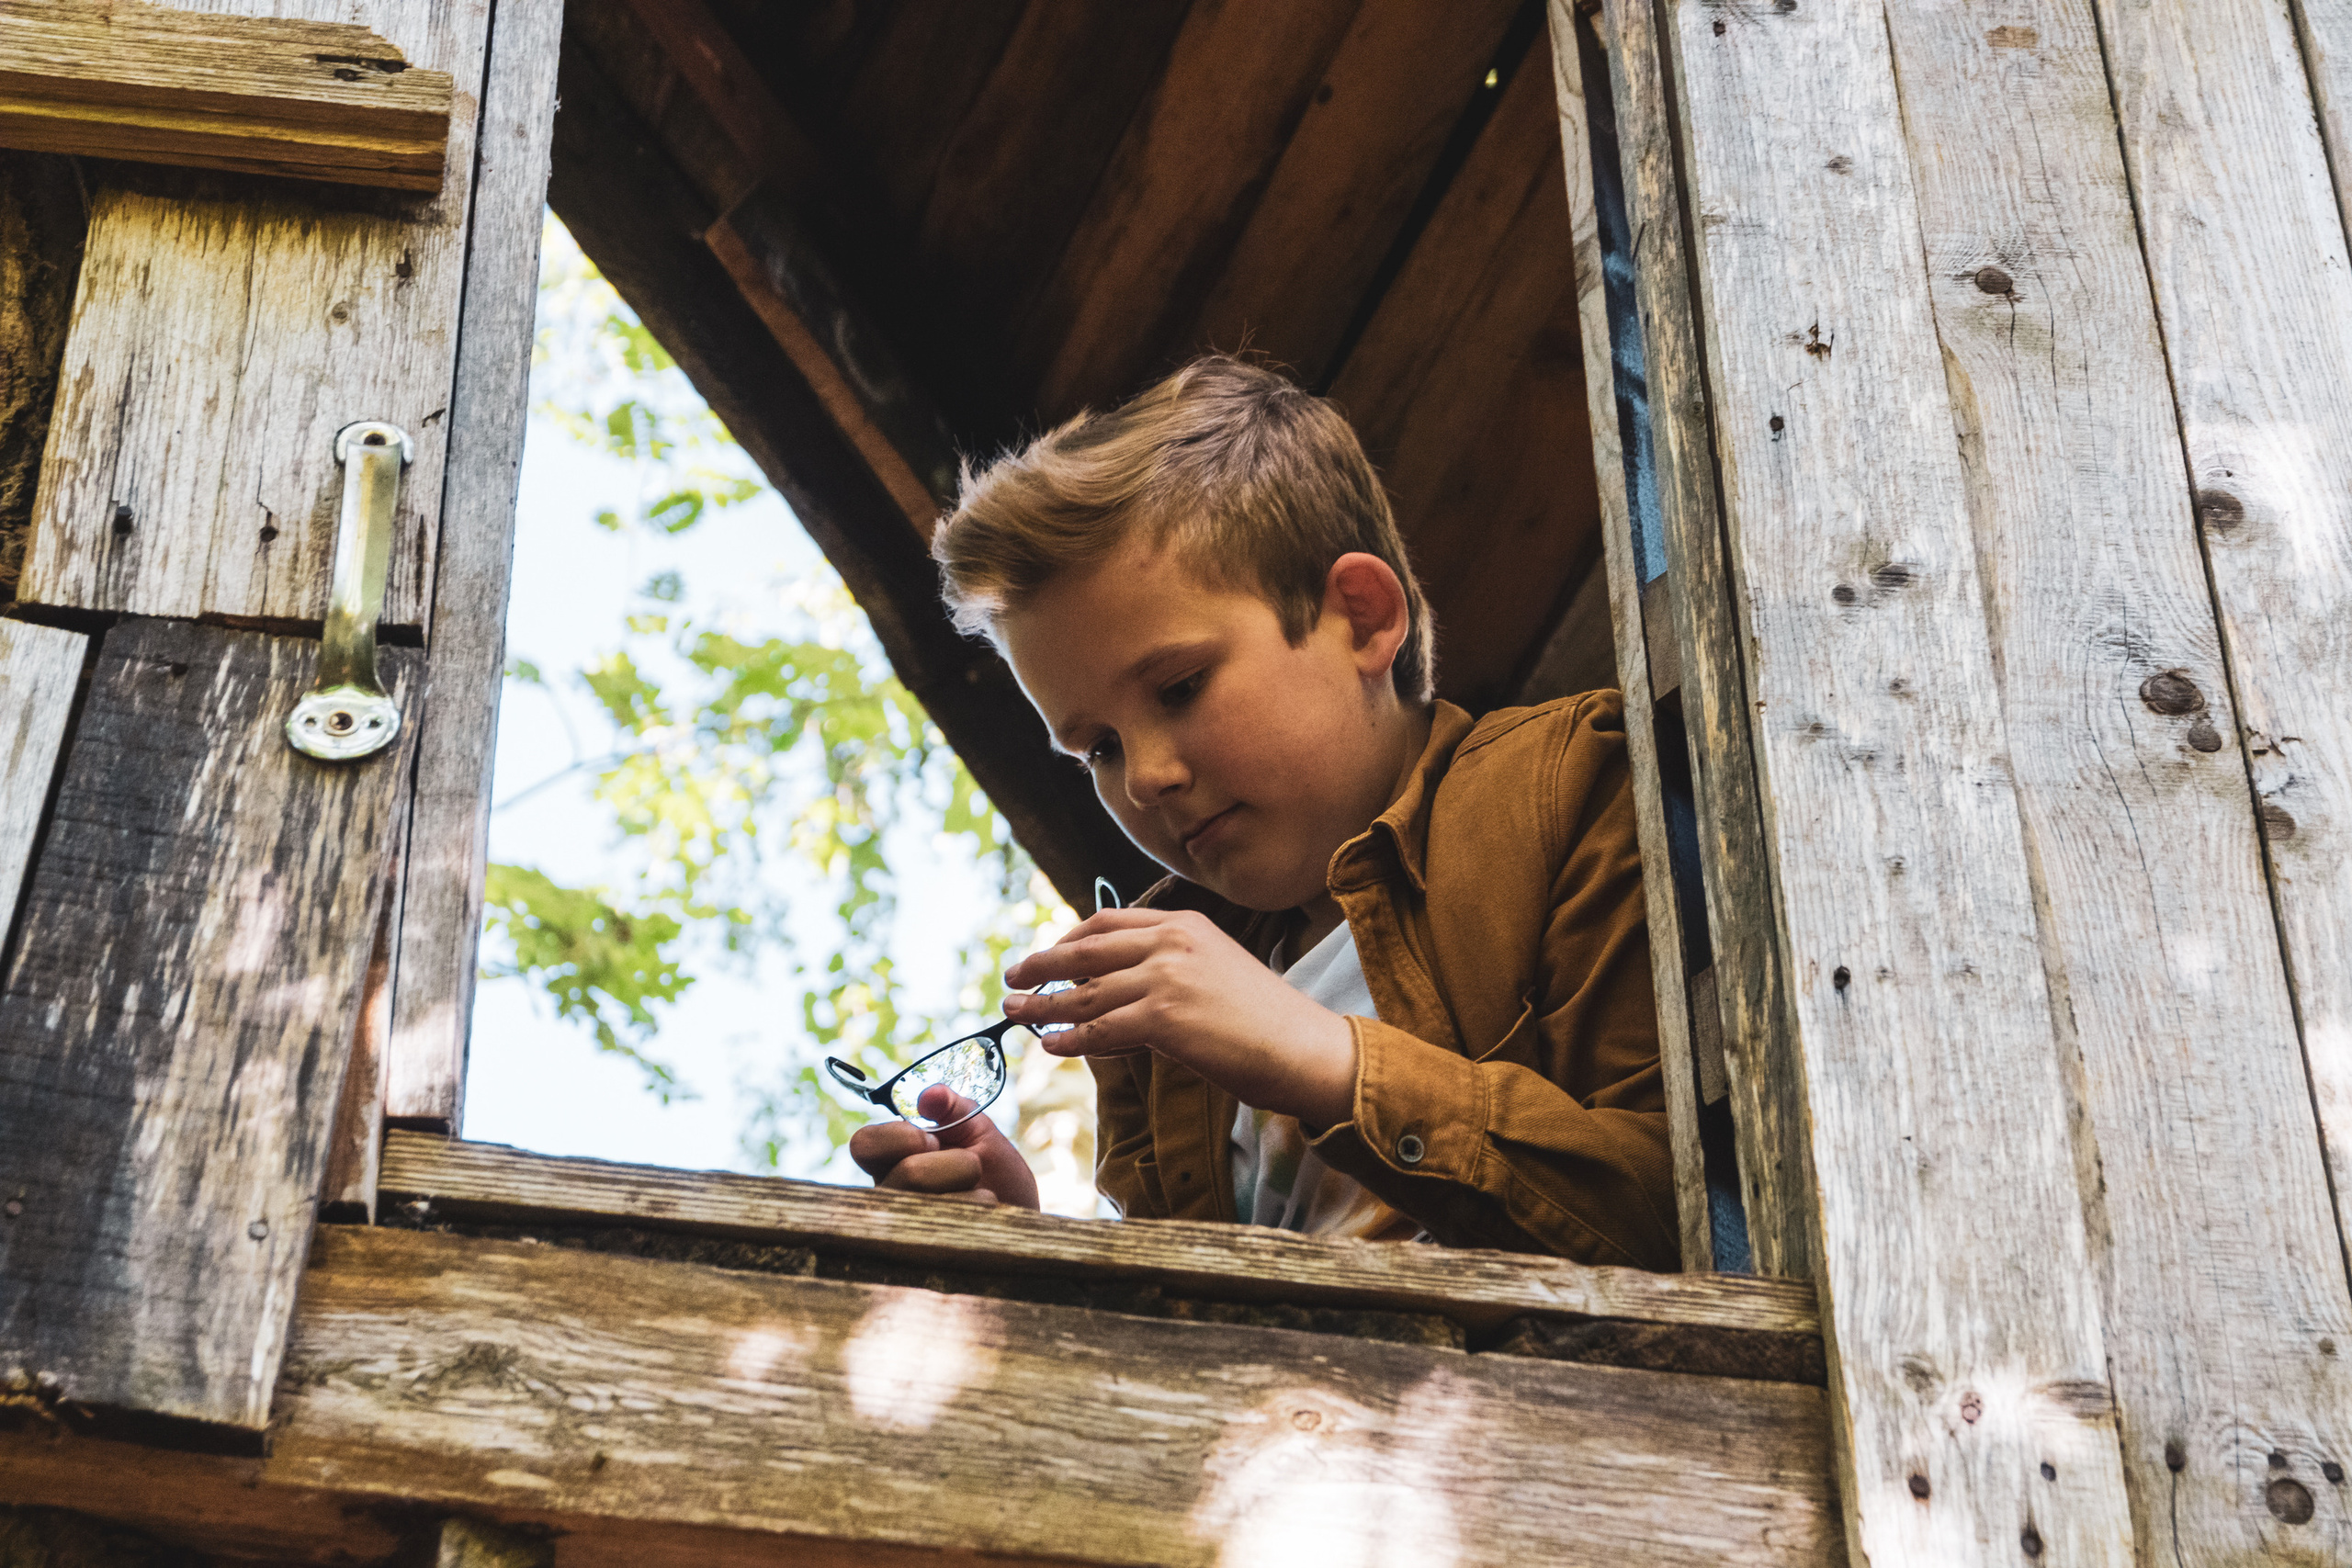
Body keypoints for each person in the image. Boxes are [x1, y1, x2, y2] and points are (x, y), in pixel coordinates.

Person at [849, 355, 1676, 1269]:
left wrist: (1325, 1062)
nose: (1144, 779)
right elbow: (1188, 1346)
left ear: (1362, 619)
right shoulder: (1151, 1014)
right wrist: (1024, 1266)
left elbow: (1696, 1217)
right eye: (1098, 749)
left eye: (1179, 686)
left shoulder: (1562, 790)